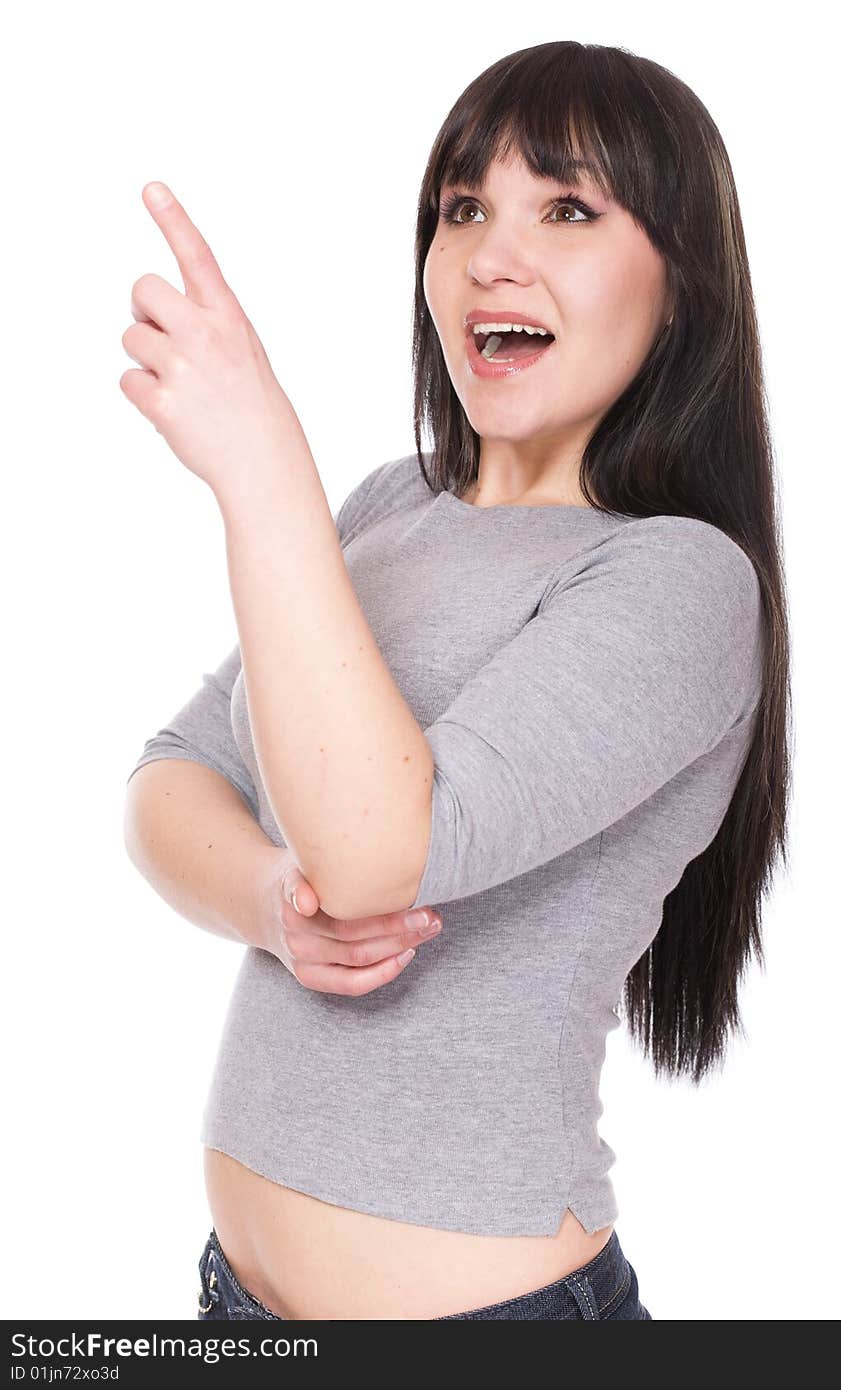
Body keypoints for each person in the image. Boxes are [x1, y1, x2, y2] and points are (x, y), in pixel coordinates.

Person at [124, 40, 790, 1321]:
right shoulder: (392, 506)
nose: (491, 251)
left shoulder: (679, 582)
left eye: (568, 208)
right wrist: (272, 899)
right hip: (234, 1308)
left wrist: (260, 470)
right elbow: (171, 779)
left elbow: (382, 853)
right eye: (463, 207)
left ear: (683, 283)